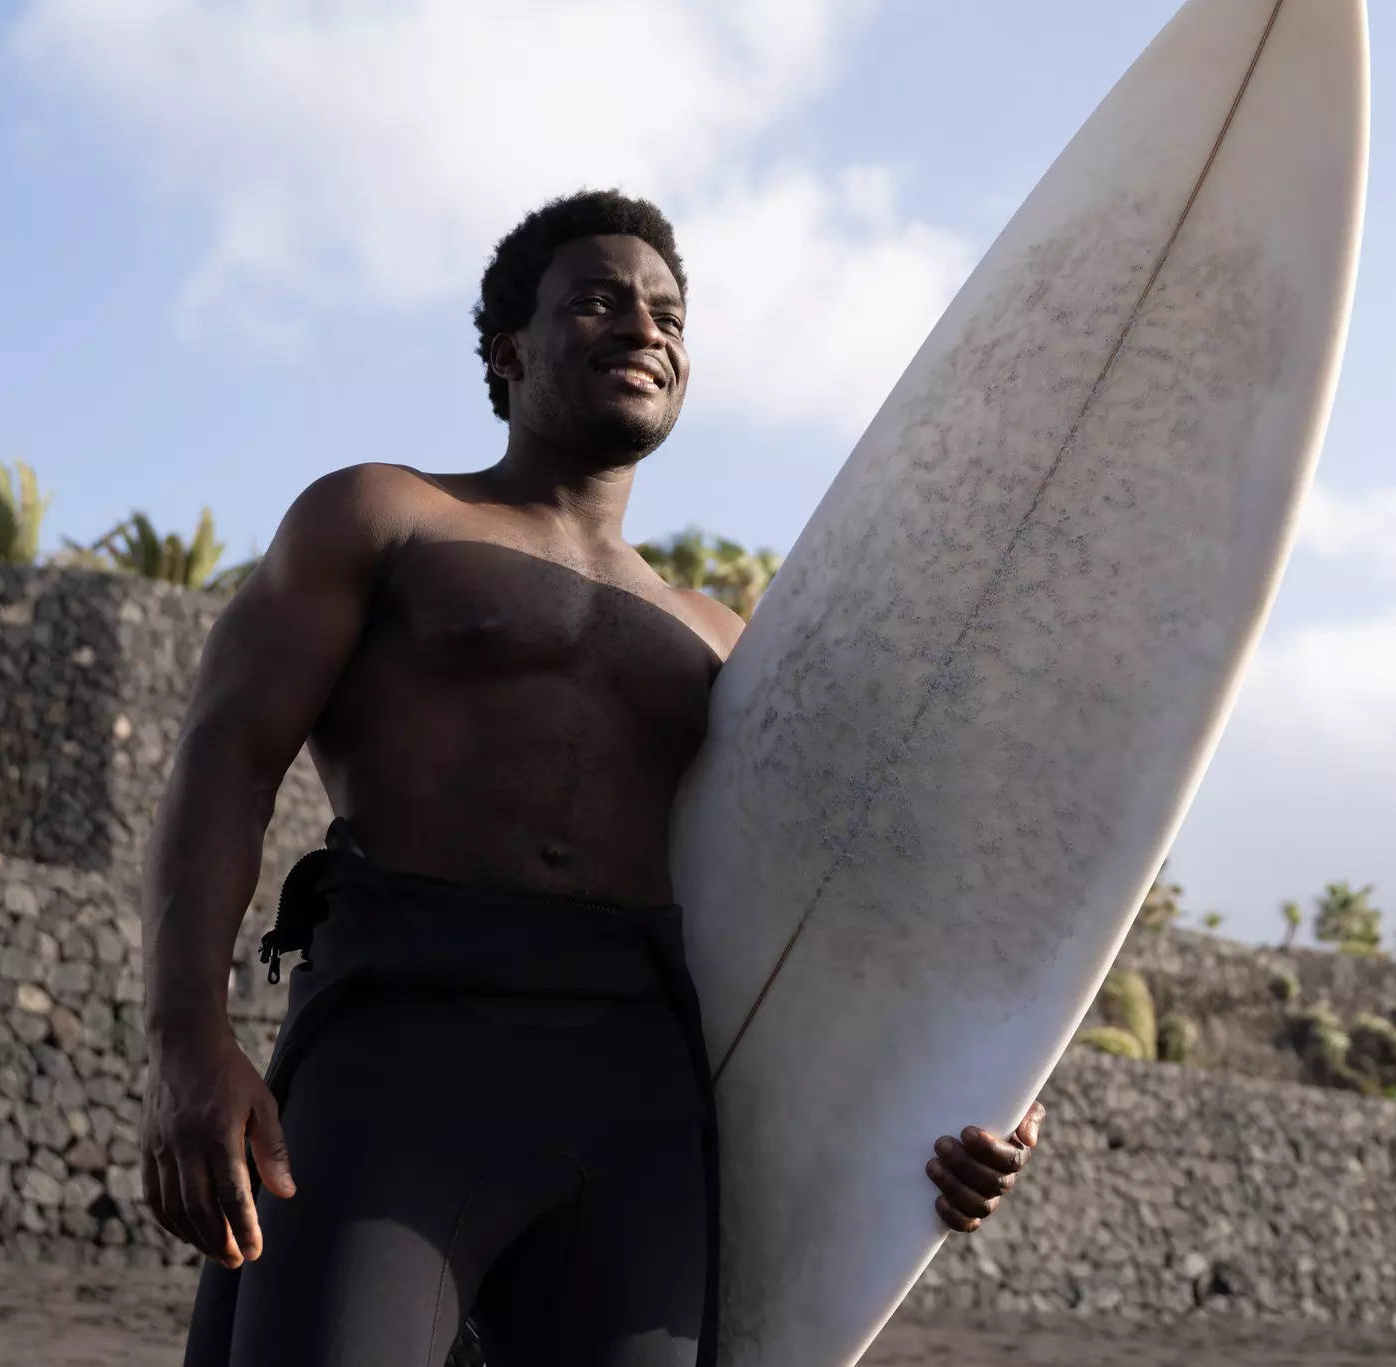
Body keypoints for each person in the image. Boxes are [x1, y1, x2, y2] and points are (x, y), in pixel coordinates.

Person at [141, 189, 1046, 1367]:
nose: (645, 327)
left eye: (669, 312)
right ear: (510, 351)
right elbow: (226, 756)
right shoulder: (382, 514)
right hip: (404, 1049)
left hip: (639, 1090)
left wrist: (991, 1090)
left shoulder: (721, 639)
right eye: (601, 301)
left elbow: (854, 895)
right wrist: (183, 1037)